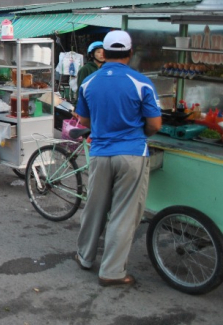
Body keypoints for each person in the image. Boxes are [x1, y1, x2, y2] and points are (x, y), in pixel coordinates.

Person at [74, 30, 162, 287]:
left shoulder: (89, 83)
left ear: (105, 52)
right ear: (130, 53)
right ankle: (112, 271)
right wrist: (139, 132)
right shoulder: (141, 82)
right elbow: (155, 124)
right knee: (124, 213)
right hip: (132, 154)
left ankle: (85, 257)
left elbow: (84, 121)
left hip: (100, 154)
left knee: (94, 207)